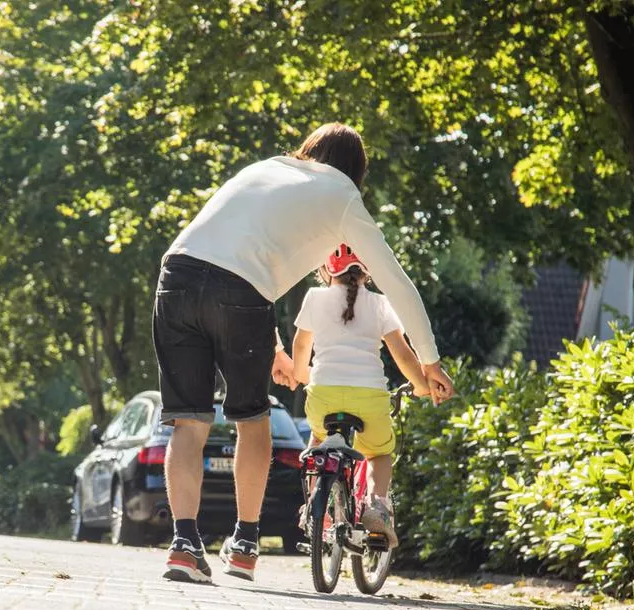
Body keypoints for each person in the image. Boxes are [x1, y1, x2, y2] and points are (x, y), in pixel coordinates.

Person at [152, 122, 454, 584]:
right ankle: (246, 543)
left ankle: (185, 545)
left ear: (310, 150)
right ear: (357, 171)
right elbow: (395, 281)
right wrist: (428, 359)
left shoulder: (267, 168)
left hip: (176, 276)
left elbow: (238, 253)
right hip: (240, 293)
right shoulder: (344, 198)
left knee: (188, 422)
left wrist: (272, 342)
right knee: (252, 419)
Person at [291, 245, 435, 549]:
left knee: (318, 440)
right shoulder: (381, 304)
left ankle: (314, 512)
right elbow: (403, 355)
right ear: (367, 271)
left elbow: (302, 346)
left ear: (327, 270)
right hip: (369, 397)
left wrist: (302, 375)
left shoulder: (314, 298)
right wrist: (421, 385)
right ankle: (376, 508)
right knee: (379, 453)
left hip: (323, 396)